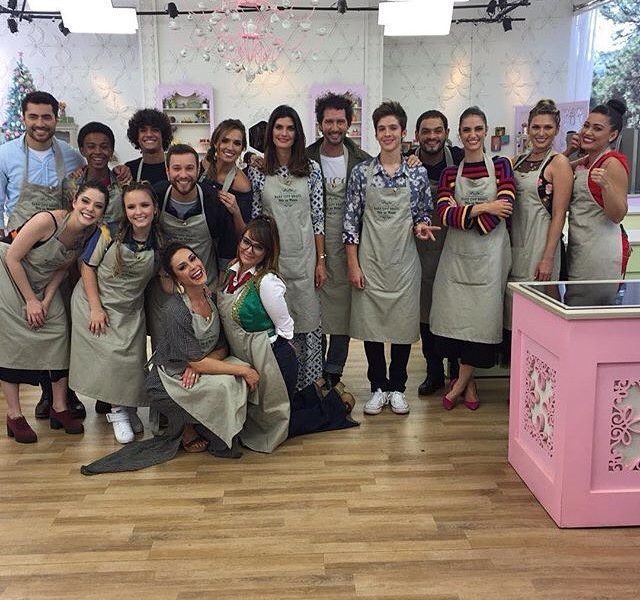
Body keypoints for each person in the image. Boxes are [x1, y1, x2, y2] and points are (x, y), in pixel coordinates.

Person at [81, 242, 258, 474]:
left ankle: (216, 427)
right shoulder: (175, 310)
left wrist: (200, 365)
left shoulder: (211, 297)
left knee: (236, 377)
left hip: (196, 366)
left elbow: (221, 347)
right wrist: (208, 365)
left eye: (193, 259)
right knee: (227, 383)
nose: (193, 267)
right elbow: (195, 361)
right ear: (176, 278)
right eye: (182, 267)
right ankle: (189, 430)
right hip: (171, 378)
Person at [218, 216, 358, 444]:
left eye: (258, 247)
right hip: (249, 357)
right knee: (263, 415)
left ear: (267, 252)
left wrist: (278, 356)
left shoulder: (267, 282)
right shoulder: (232, 270)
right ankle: (316, 394)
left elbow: (285, 326)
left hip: (270, 359)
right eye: (246, 242)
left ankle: (336, 407)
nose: (249, 250)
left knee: (274, 424)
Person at [344, 100, 437, 416]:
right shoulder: (362, 172)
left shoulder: (417, 172)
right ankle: (377, 388)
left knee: (401, 328)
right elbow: (350, 222)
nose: (387, 134)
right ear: (375, 133)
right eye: (382, 128)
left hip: (404, 263)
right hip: (370, 261)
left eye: (393, 128)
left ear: (403, 131)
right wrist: (353, 264)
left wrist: (422, 225)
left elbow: (423, 211)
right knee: (372, 328)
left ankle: (397, 387)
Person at [0, 91, 86, 420]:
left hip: (56, 253)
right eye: (33, 117)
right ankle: (42, 395)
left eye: (46, 117)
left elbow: (81, 197)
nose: (40, 123)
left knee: (59, 324)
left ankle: (62, 394)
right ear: (23, 118)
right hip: (18, 255)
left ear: (55, 118)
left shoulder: (71, 157)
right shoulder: (5, 154)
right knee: (20, 326)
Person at [1, 181, 107, 443]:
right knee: (12, 341)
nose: (90, 209)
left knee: (59, 332)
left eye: (98, 206)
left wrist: (46, 301)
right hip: (10, 275)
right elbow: (13, 258)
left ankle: (59, 408)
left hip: (45, 280)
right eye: (85, 201)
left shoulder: (90, 234)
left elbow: (61, 268)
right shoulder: (46, 221)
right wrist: (30, 300)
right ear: (74, 201)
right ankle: (14, 415)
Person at [430, 106, 515, 411]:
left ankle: (459, 385)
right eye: (466, 130)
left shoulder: (502, 166)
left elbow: (506, 206)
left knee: (481, 322)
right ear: (459, 133)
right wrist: (484, 207)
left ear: (486, 131)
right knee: (455, 321)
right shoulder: (450, 173)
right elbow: (444, 214)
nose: (472, 135)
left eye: (478, 129)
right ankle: (469, 383)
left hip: (490, 259)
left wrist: (466, 214)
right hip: (456, 260)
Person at [69, 182, 163, 443]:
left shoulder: (159, 241)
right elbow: (87, 267)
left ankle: (128, 407)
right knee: (112, 359)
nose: (138, 212)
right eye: (131, 207)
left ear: (155, 208)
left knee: (131, 363)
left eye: (144, 205)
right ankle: (118, 412)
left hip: (130, 308)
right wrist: (96, 308)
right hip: (96, 302)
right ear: (124, 210)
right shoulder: (108, 232)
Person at [248, 105, 326, 392]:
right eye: (279, 127)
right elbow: (256, 218)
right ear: (270, 132)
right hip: (272, 262)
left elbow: (318, 218)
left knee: (306, 321)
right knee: (276, 324)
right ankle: (280, 389)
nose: (284, 133)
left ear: (298, 133)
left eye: (290, 128)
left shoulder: (311, 169)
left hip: (305, 259)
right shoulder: (258, 171)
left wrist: (321, 261)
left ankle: (309, 388)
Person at [147, 143, 246, 345]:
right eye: (176, 168)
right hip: (166, 289)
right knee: (167, 347)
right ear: (167, 171)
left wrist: (219, 290)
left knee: (206, 346)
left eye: (189, 168)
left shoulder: (213, 201)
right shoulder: (156, 196)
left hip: (205, 286)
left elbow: (227, 250)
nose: (183, 175)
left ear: (199, 169)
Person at [306, 92, 371, 395]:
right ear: (319, 124)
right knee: (316, 310)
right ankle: (315, 371)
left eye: (340, 122)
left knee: (343, 313)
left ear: (349, 123)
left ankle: (334, 373)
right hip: (314, 245)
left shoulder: (362, 161)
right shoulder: (304, 158)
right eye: (329, 122)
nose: (334, 127)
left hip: (349, 246)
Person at [411, 110, 464, 396]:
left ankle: (456, 370)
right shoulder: (408, 163)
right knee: (426, 311)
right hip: (421, 248)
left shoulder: (460, 160)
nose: (432, 136)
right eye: (426, 131)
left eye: (437, 131)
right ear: (416, 135)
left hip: (454, 245)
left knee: (452, 308)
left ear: (446, 133)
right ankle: (433, 372)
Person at [506, 99, 572, 325]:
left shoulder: (558, 163)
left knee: (539, 314)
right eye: (536, 127)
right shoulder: (517, 161)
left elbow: (559, 214)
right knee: (513, 312)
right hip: (515, 246)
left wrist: (548, 258)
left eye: (547, 127)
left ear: (557, 129)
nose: (541, 133)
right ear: (528, 128)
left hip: (540, 248)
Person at [565, 99, 630, 307]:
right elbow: (556, 170)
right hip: (580, 250)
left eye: (597, 128)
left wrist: (606, 186)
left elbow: (618, 214)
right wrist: (568, 151)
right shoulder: (586, 161)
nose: (588, 132)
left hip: (600, 256)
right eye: (586, 125)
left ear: (612, 135)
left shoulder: (612, 163)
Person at [199, 119, 253, 270]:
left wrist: (236, 211)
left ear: (242, 148)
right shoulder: (201, 168)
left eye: (237, 143)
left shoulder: (241, 184)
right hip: (198, 248)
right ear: (215, 143)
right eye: (225, 141)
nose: (230, 147)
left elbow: (244, 234)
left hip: (225, 257)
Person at [69, 121, 128, 231]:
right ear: (82, 150)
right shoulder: (71, 185)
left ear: (111, 150)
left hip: (116, 241)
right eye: (91, 147)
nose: (98, 152)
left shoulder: (123, 185)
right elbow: (66, 220)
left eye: (104, 147)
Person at [125, 108, 173, 184]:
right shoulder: (130, 169)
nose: (149, 134)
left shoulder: (175, 166)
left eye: (155, 130)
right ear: (137, 137)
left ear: (163, 135)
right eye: (143, 130)